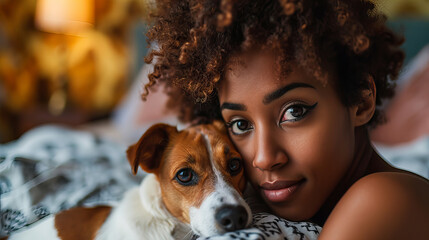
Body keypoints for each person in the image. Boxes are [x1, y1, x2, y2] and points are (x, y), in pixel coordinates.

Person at [141, 0, 429, 239]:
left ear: (360, 101)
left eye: (295, 112)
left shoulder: (385, 198)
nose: (264, 158)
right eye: (241, 125)